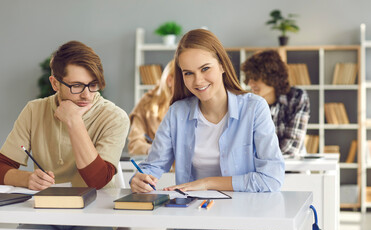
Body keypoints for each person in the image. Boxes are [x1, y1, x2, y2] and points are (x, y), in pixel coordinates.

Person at [130, 29, 284, 196]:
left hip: (242, 215)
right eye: (188, 73)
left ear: (222, 65)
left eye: (205, 69)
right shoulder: (177, 113)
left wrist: (207, 183)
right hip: (193, 214)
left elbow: (271, 178)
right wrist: (139, 180)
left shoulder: (254, 108)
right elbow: (153, 166)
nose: (198, 81)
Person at [0, 40, 130, 192]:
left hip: (97, 207)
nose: (87, 95)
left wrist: (74, 121)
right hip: (47, 207)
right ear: (55, 84)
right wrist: (28, 179)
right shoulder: (33, 110)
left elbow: (98, 181)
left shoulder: (115, 117)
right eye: (77, 86)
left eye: (93, 85)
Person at [241, 50, 310, 156]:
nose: (250, 83)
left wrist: (259, 156)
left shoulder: (296, 97)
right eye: (249, 78)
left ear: (271, 77)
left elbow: (291, 147)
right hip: (260, 169)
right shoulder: (249, 103)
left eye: (255, 78)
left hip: (292, 169)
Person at [128, 60, 175, 155]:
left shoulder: (194, 104)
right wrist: (154, 149)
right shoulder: (146, 103)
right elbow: (134, 145)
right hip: (157, 166)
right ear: (169, 80)